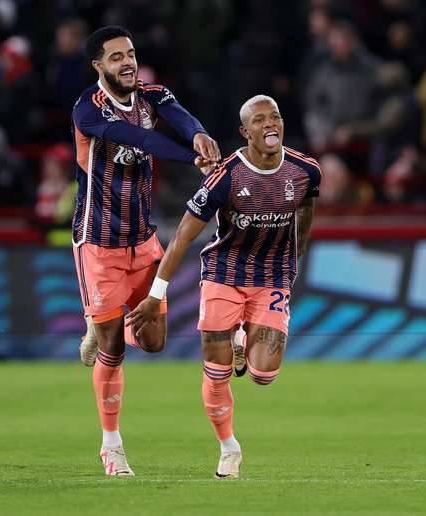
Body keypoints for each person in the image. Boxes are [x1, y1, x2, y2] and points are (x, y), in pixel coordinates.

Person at [126, 95, 319, 479]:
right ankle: (228, 447)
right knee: (216, 374)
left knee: (264, 375)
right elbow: (183, 236)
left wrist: (294, 258)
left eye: (275, 117)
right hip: (224, 275)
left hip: (272, 278)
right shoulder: (226, 176)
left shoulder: (305, 171)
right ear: (245, 132)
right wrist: (155, 295)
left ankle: (242, 336)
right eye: (259, 120)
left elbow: (306, 210)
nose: (270, 124)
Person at [71, 25, 220, 476]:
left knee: (154, 342)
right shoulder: (87, 109)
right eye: (116, 57)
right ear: (98, 66)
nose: (128, 62)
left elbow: (181, 118)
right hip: (99, 243)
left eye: (131, 54)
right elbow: (141, 140)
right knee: (114, 347)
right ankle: (111, 446)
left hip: (143, 240)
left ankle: (102, 319)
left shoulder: (152, 95)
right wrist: (190, 157)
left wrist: (198, 136)